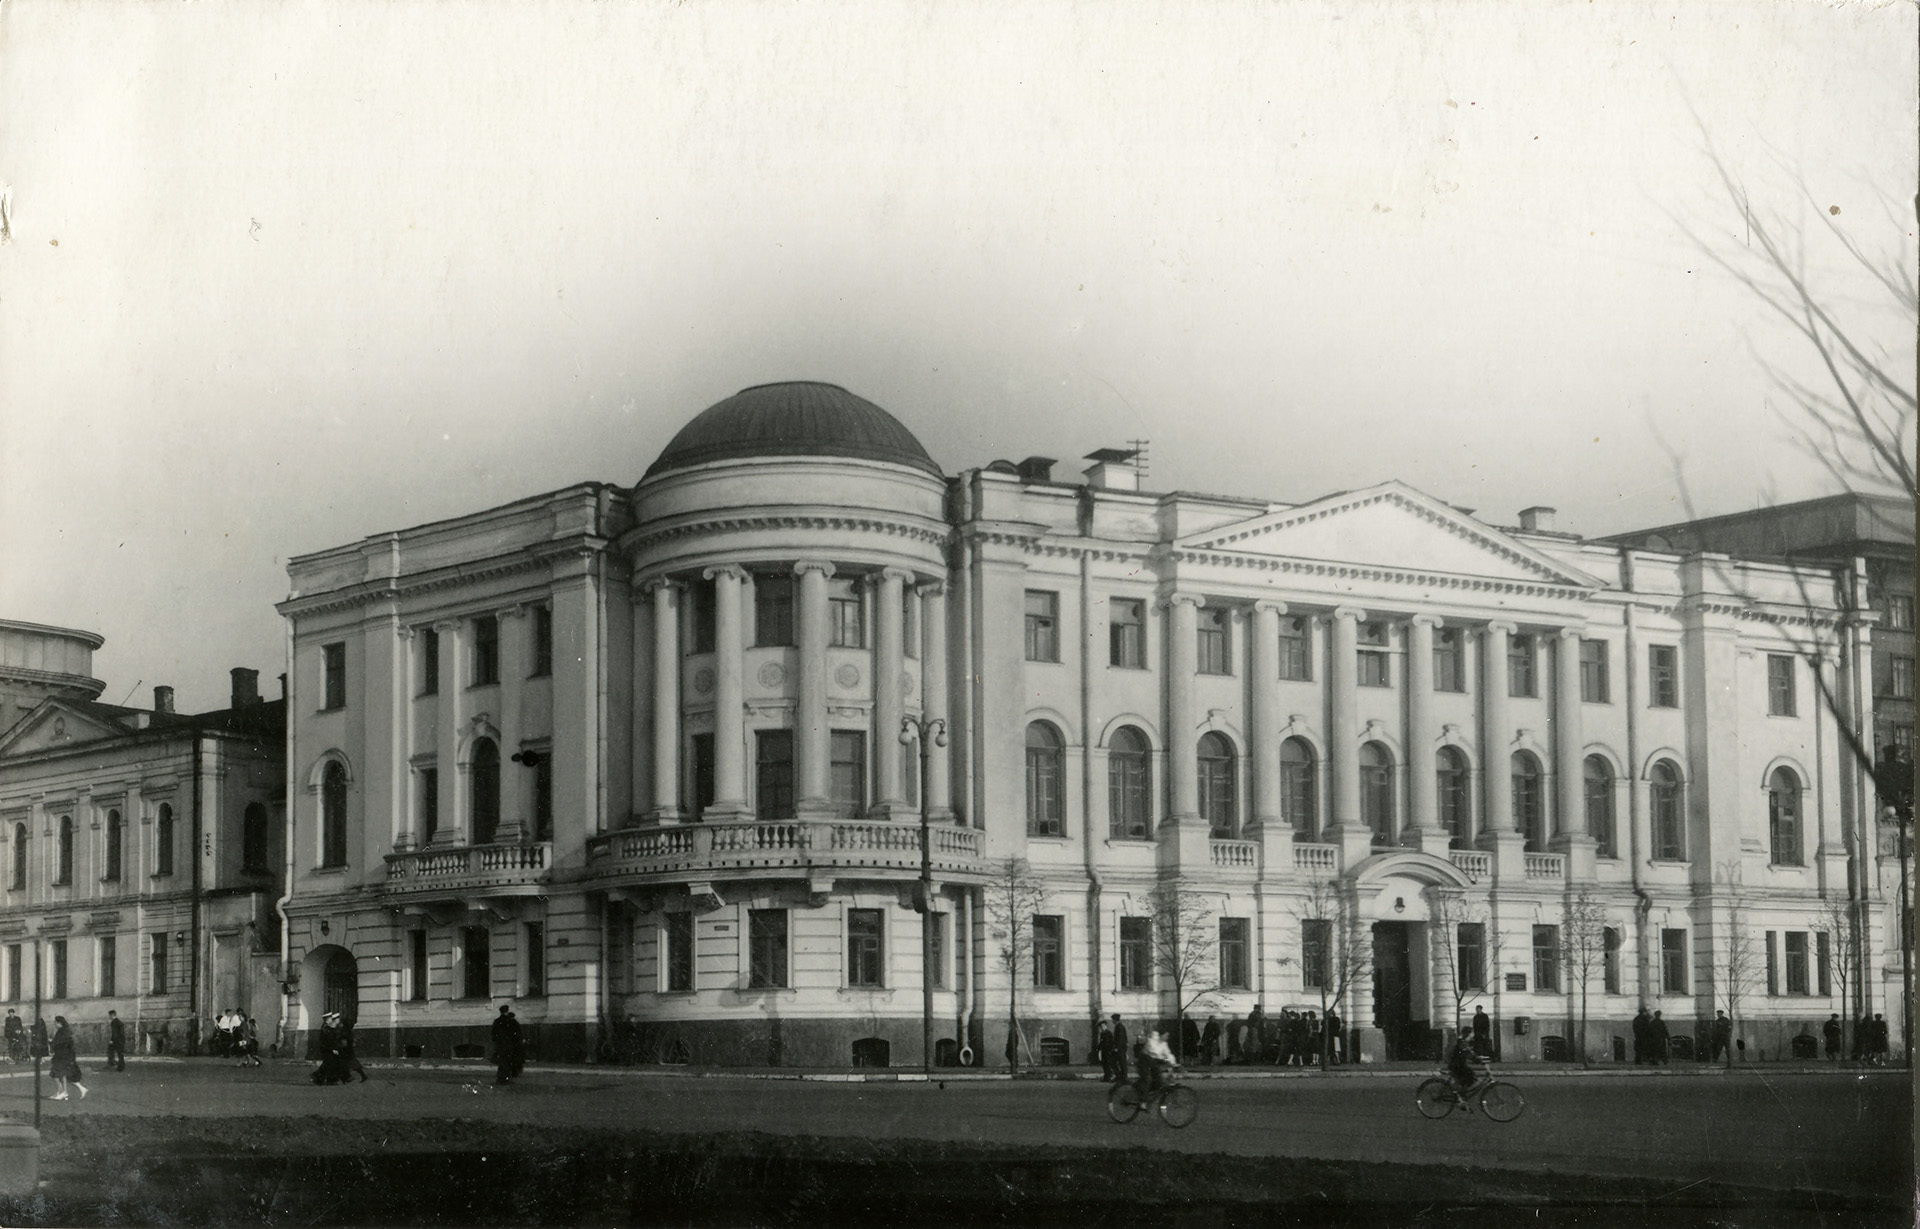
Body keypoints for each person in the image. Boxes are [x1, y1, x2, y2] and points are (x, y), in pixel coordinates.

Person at [1132, 1027, 1176, 1100]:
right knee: (1148, 1079)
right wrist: (1165, 1060)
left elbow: (1168, 1054)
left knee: (1159, 1081)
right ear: (1161, 1035)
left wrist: (1173, 1063)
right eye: (1166, 1035)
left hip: (1152, 1063)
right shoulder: (1152, 1041)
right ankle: (1143, 1101)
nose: (1167, 1038)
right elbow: (1154, 1052)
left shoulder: (1164, 1044)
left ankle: (1146, 1092)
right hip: (1144, 1062)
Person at [48, 1016, 86, 1102]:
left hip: (62, 1056)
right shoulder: (64, 1031)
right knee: (60, 1074)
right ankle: (62, 1092)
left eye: (55, 1022)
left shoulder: (62, 1032)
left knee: (57, 1074)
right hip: (63, 1056)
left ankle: (63, 1092)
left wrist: (51, 1042)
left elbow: (60, 1044)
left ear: (59, 1023)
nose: (54, 1024)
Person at [1445, 1034, 1488, 1099]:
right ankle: (1459, 1095)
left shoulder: (1463, 1042)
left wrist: (1478, 1058)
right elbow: (1468, 1054)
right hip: (1457, 1065)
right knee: (1469, 1077)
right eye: (1471, 1035)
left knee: (1467, 1079)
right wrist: (1478, 1060)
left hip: (1458, 1065)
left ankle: (1460, 1095)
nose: (1472, 1036)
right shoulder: (1462, 1043)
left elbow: (1469, 1053)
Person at [492, 1003, 523, 1085]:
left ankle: (500, 1078)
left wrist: (497, 1042)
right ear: (507, 1011)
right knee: (509, 1062)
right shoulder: (511, 1021)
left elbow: (493, 1034)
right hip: (510, 1045)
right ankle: (507, 1078)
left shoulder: (497, 1021)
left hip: (500, 1045)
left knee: (502, 1062)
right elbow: (516, 1033)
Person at [1109, 1014, 1129, 1083]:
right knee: (1118, 1062)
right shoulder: (1119, 1026)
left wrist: (1117, 1047)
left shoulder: (1119, 1027)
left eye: (1112, 1020)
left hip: (1120, 1049)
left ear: (1115, 1020)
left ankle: (1122, 1078)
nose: (1112, 1021)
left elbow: (1120, 1039)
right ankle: (1121, 1077)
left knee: (1120, 1063)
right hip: (1120, 1048)